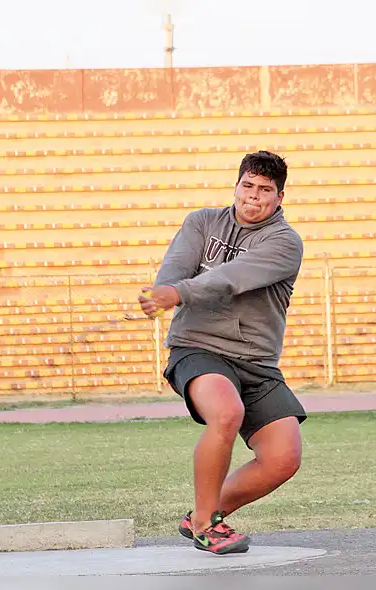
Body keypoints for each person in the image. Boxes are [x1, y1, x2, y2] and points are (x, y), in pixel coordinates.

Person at [138, 150, 307, 555]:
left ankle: (205, 515)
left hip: (256, 361)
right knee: (225, 412)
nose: (253, 197)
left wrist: (180, 291)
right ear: (236, 186)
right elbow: (175, 268)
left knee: (283, 458)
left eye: (265, 190)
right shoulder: (201, 221)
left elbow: (232, 278)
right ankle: (204, 524)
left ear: (279, 198)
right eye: (247, 186)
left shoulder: (285, 242)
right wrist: (163, 291)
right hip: (199, 348)